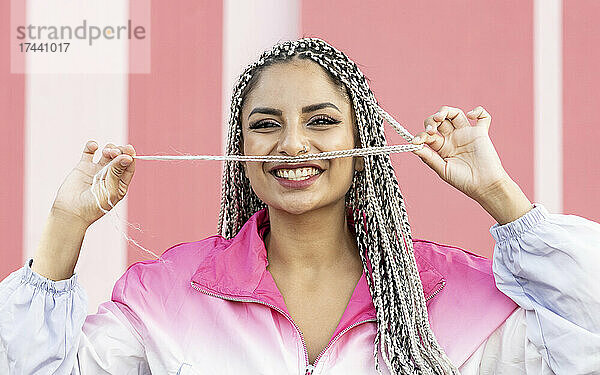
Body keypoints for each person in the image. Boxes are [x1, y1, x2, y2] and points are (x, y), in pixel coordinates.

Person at [1, 37, 598, 375]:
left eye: (321, 121)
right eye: (266, 125)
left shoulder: (459, 295)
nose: (292, 144)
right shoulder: (166, 297)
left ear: (364, 147)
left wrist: (498, 193)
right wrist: (66, 223)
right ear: (241, 152)